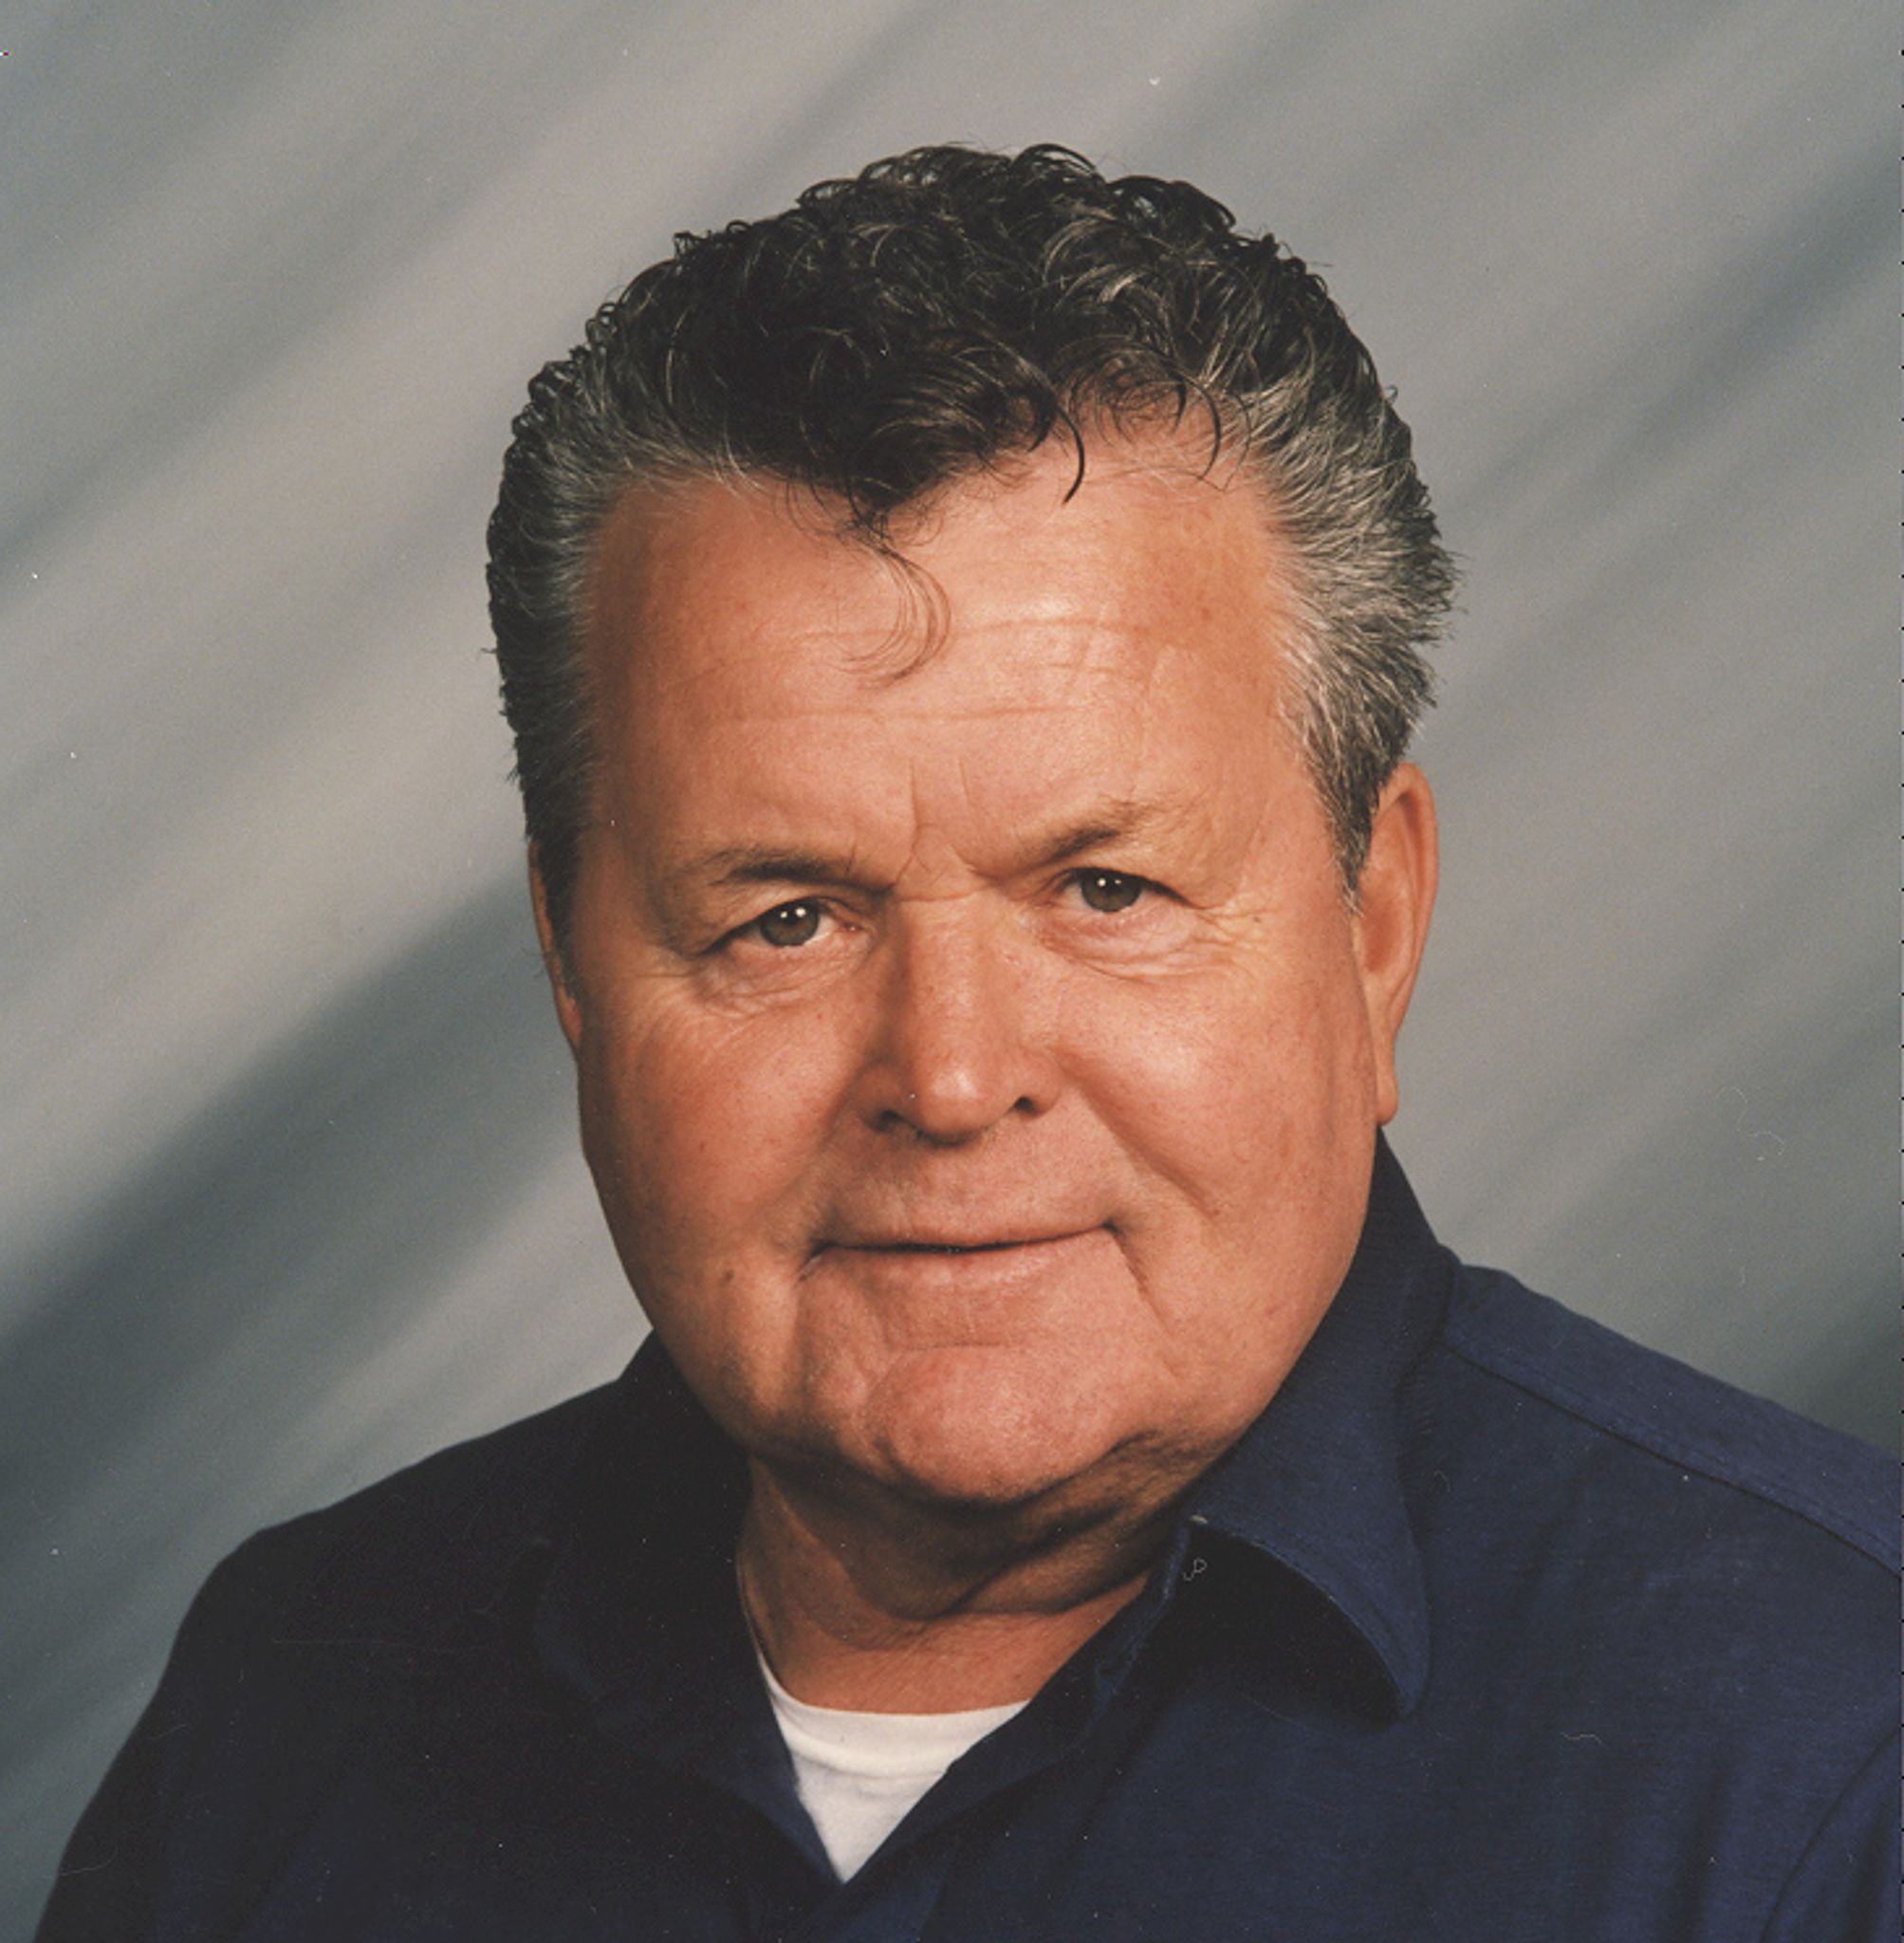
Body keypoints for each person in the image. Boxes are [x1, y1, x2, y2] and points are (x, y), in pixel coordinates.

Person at [38, 144, 1894, 1942]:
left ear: (1372, 921)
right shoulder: (290, 1704)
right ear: (571, 968)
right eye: (786, 917)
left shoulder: (1836, 1749)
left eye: (1103, 889)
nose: (945, 1078)